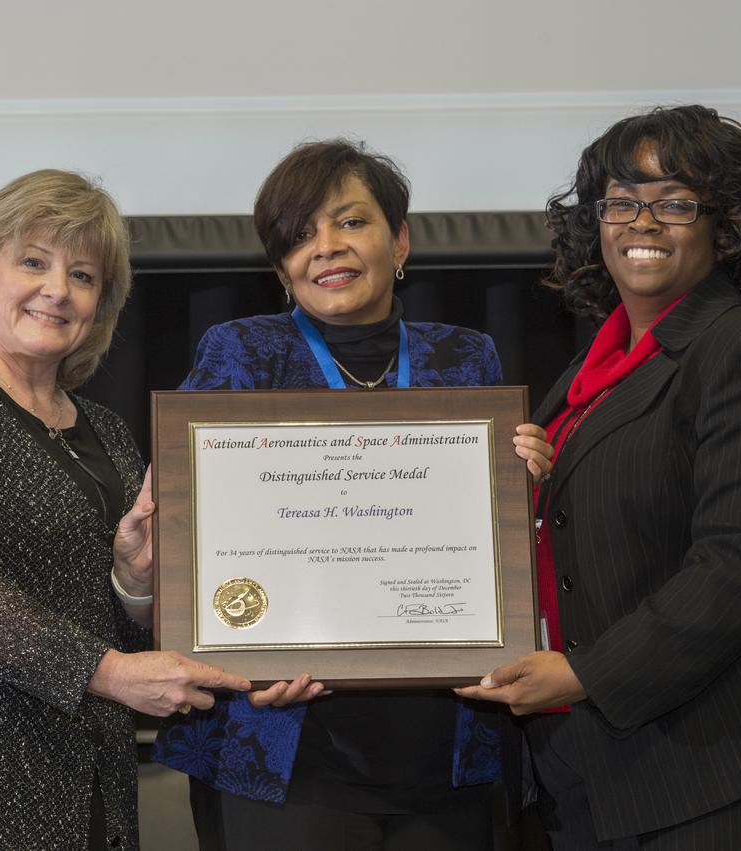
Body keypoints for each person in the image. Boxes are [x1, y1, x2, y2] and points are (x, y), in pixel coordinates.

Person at [456, 106, 741, 849]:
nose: (640, 222)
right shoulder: (587, 380)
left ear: (728, 223)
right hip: (603, 771)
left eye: (673, 202)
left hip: (732, 764)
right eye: (620, 202)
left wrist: (584, 673)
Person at [156, 140, 553, 850]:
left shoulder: (465, 357)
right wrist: (242, 654)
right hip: (285, 751)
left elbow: (493, 540)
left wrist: (526, 486)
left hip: (443, 750)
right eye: (300, 234)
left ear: (398, 239)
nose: (326, 247)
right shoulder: (240, 353)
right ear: (279, 266)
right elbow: (191, 535)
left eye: (350, 222)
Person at [0, 169, 252, 850]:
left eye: (84, 275)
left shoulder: (106, 431)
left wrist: (132, 581)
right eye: (33, 262)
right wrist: (109, 672)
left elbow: (129, 633)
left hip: (93, 782)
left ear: (101, 304)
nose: (57, 290)